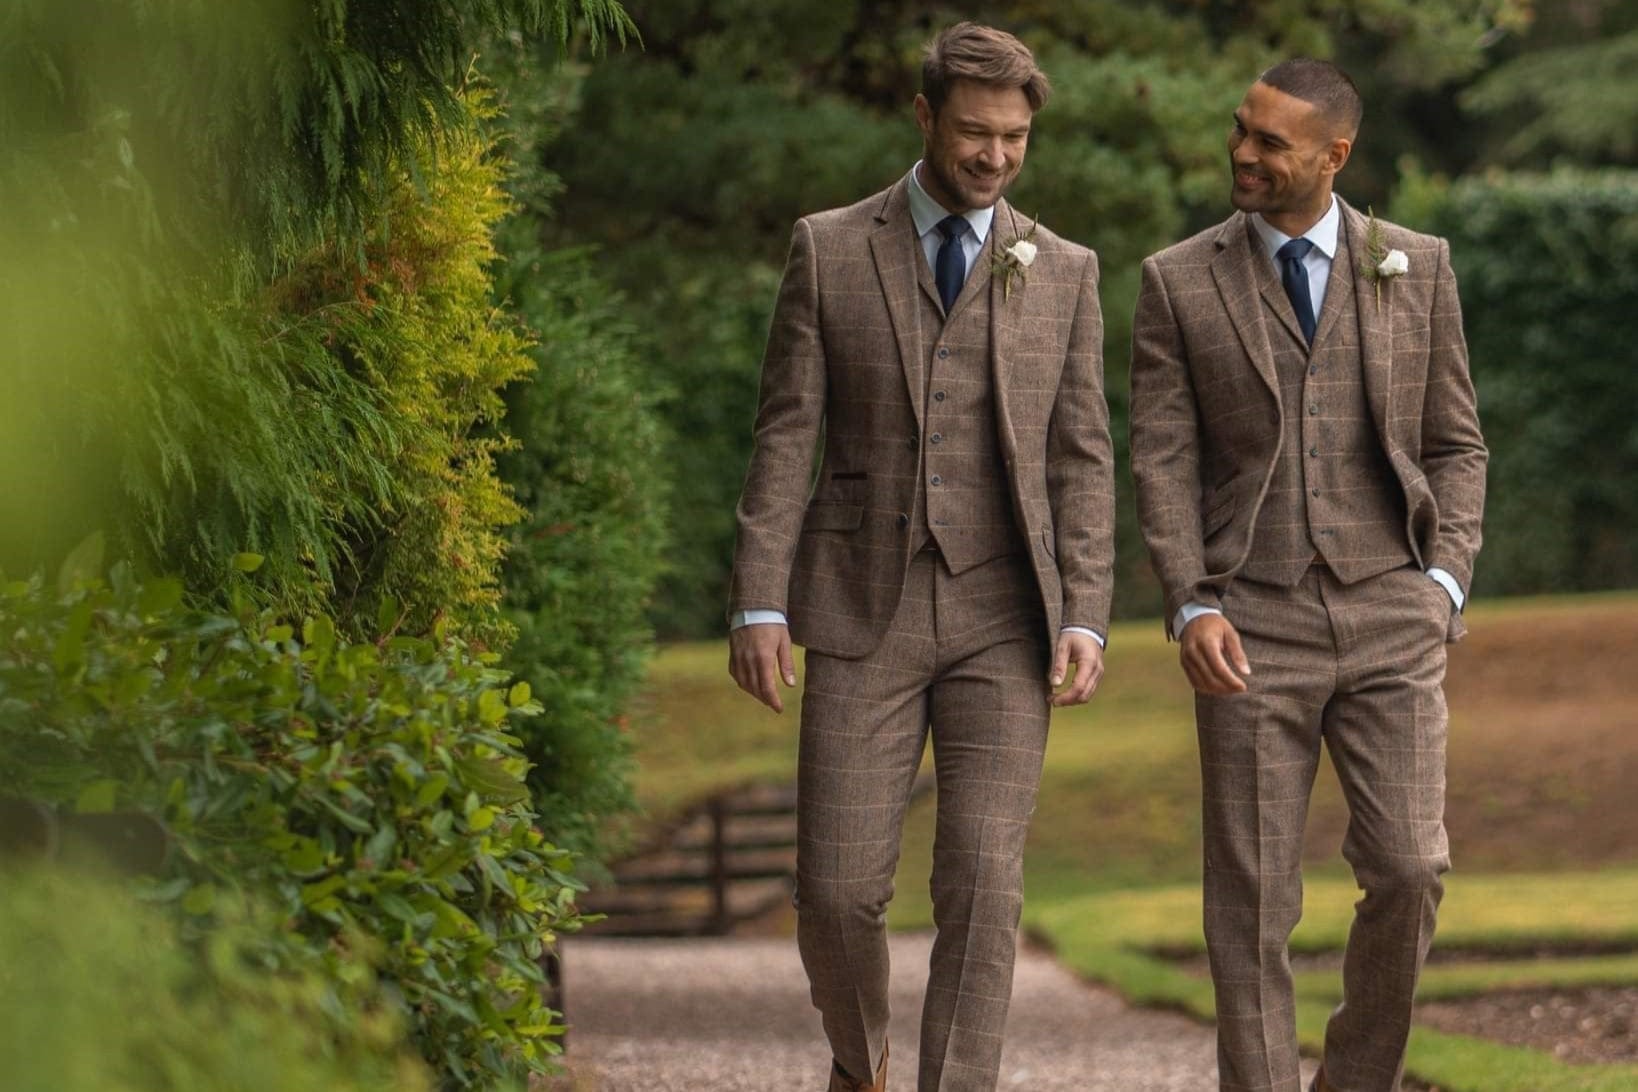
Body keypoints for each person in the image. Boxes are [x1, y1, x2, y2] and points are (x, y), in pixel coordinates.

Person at [727, 22, 1114, 1092]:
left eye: (1016, 139)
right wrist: (759, 600)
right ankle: (862, 1059)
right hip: (861, 607)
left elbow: (1083, 456)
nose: (994, 158)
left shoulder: (1068, 271)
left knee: (986, 882)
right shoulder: (831, 247)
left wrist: (1085, 611)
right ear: (925, 117)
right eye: (975, 133)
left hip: (1005, 617)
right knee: (839, 891)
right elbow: (786, 434)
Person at [1129, 58, 1487, 1092]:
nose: (1244, 152)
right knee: (1249, 902)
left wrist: (1445, 584)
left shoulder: (1417, 264)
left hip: (1393, 612)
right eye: (1241, 129)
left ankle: (1357, 1080)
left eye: (1270, 141)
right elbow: (1163, 453)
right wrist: (1191, 597)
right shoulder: (1177, 279)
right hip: (1251, 621)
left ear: (1335, 156)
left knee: (1412, 871)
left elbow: (1458, 444)